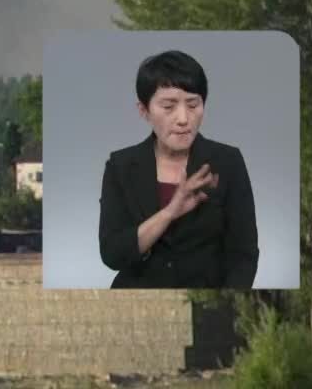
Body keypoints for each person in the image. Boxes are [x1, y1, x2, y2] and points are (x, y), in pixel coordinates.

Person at [97, 49, 258, 288]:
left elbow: (244, 255)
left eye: (193, 105)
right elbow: (112, 254)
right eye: (169, 106)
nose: (183, 118)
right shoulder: (120, 167)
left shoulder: (227, 162)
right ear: (144, 111)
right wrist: (170, 211)